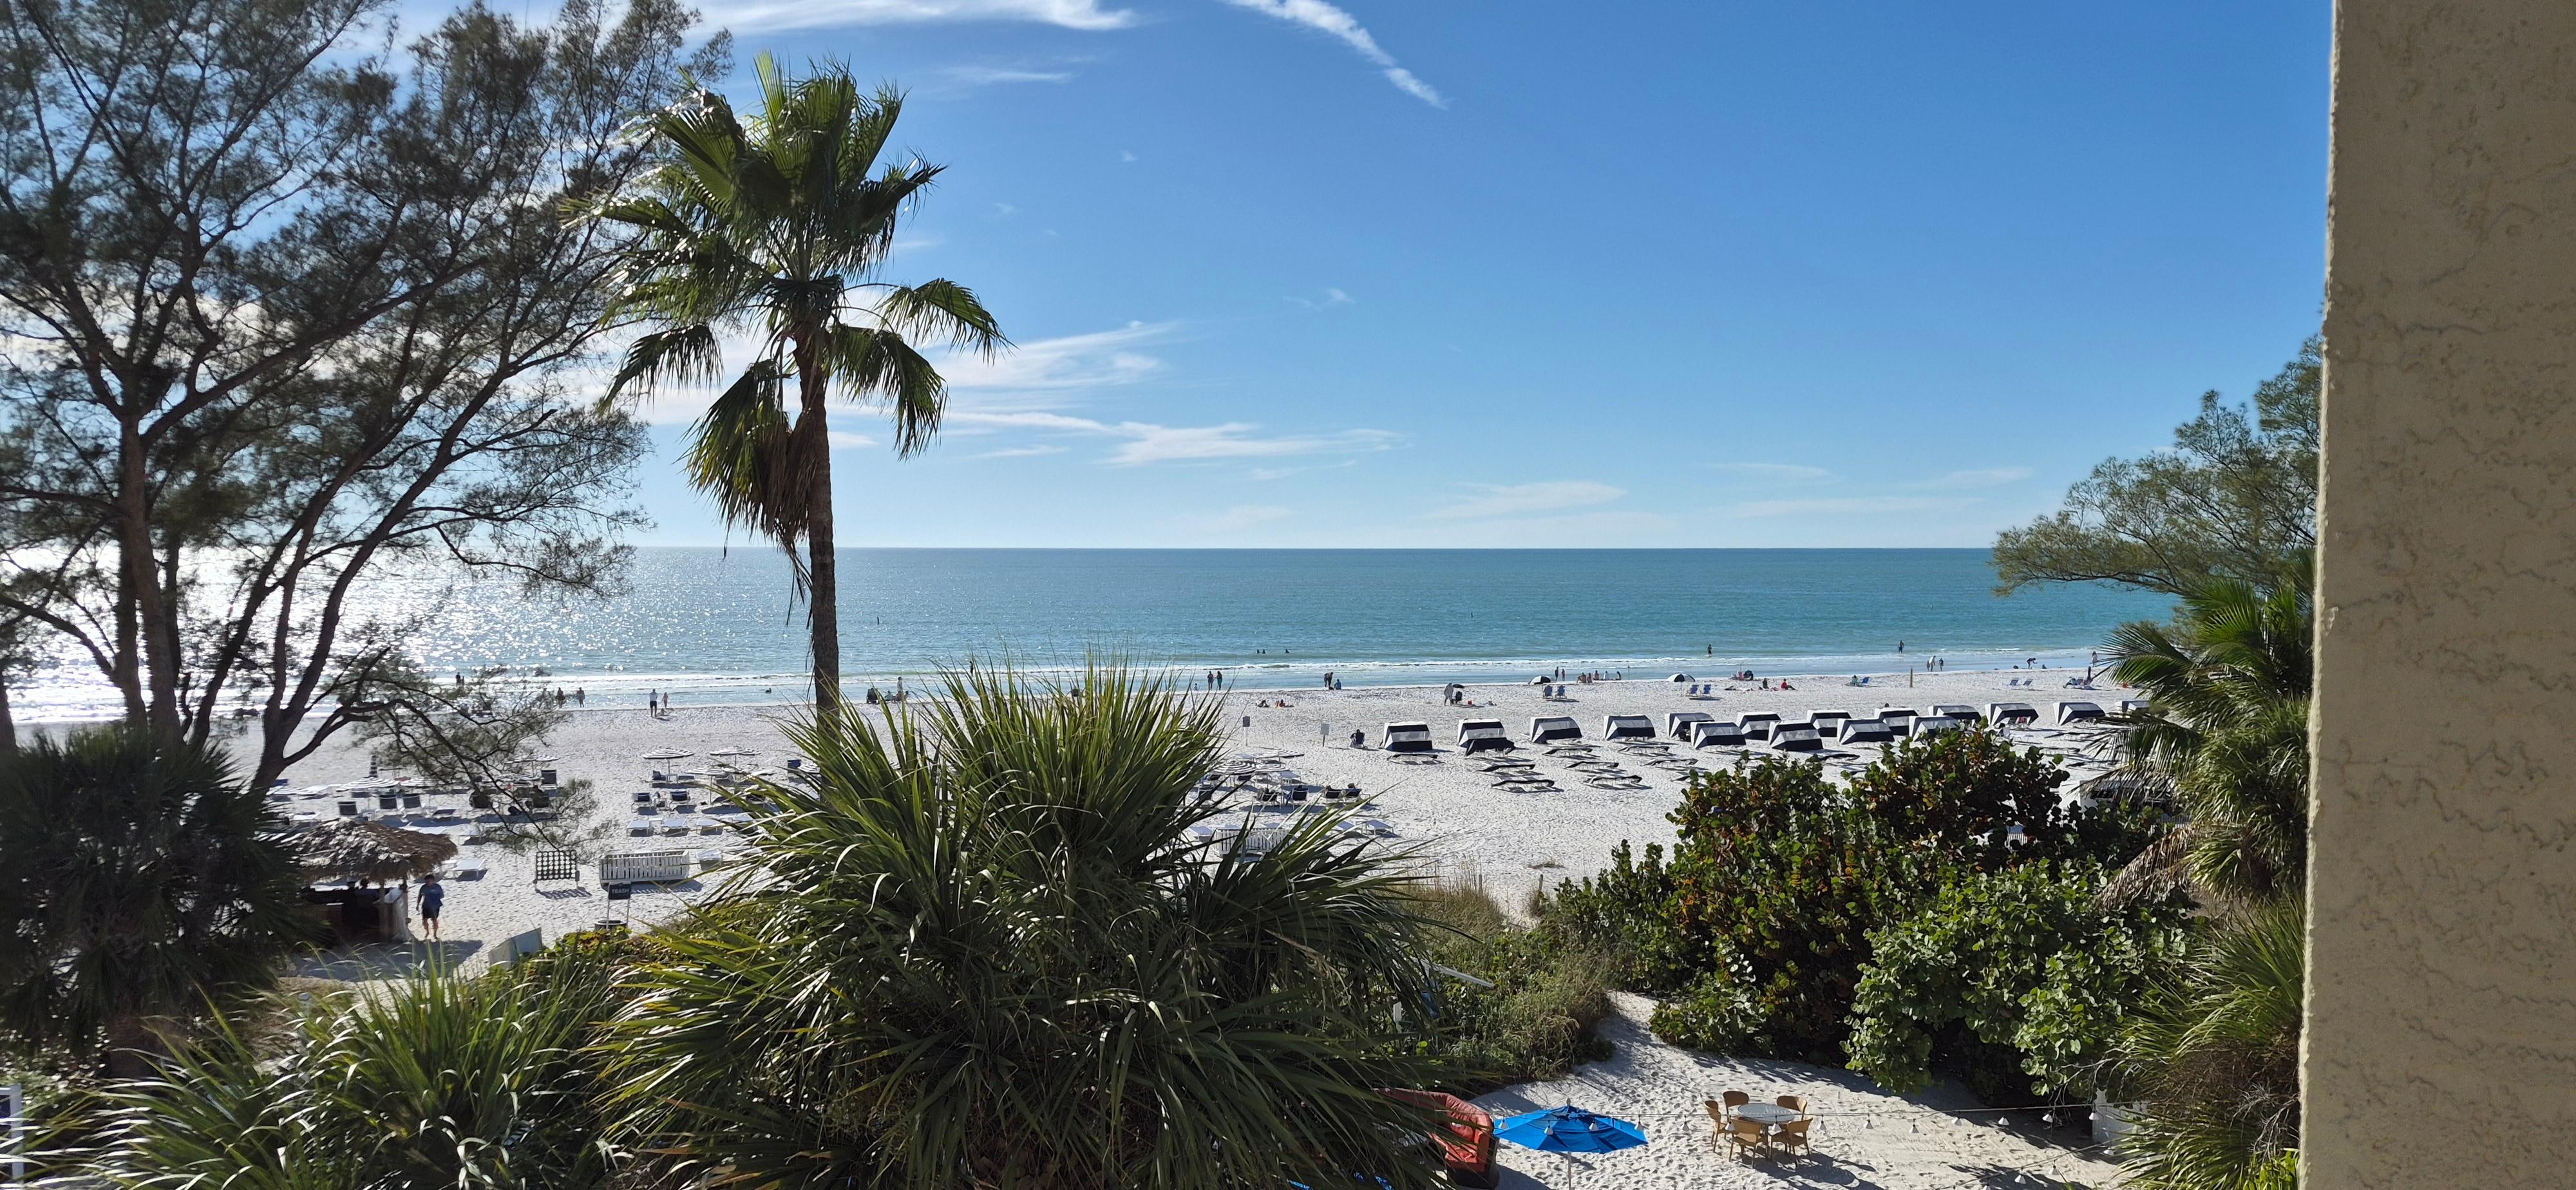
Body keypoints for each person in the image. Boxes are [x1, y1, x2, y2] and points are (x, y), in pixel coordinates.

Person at [419, 874, 445, 942]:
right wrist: (418, 904)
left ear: (433, 881)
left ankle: (435, 934)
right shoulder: (423, 887)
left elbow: (442, 896)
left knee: (435, 920)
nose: (427, 883)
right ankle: (427, 932)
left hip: (435, 906)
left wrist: (434, 897)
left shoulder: (437, 887)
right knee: (424, 921)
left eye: (429, 881)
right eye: (426, 881)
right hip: (426, 906)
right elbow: (420, 896)